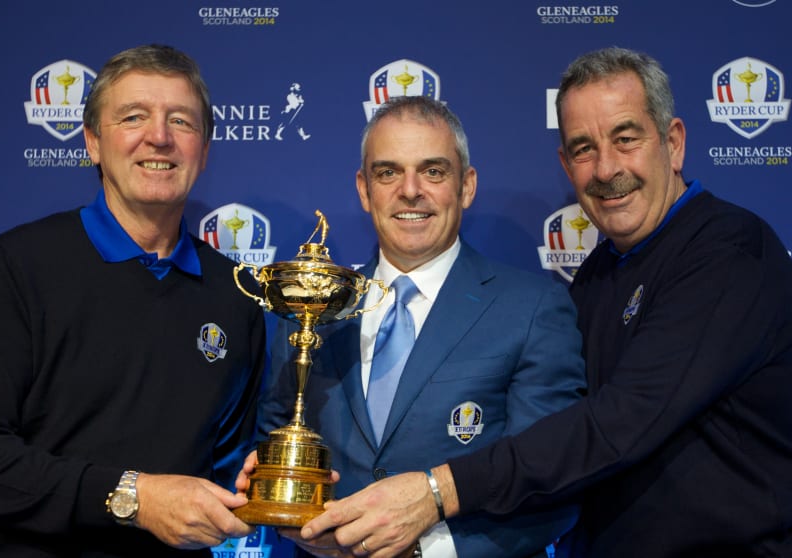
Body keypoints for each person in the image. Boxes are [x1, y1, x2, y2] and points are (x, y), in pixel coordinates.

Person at [294, 47, 792, 557]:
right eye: (583, 148)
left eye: (626, 138)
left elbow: (620, 422)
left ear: (673, 142)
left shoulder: (729, 251)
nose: (606, 168)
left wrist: (437, 491)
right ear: (566, 165)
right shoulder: (597, 274)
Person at [0, 44, 264, 557]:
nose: (159, 136)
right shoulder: (18, 265)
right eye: (133, 117)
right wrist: (134, 497)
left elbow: (225, 467)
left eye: (181, 121)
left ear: (204, 150)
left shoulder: (237, 292)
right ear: (92, 142)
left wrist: (268, 482)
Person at [241, 95, 587, 557]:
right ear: (364, 190)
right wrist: (279, 504)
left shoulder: (533, 308)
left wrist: (424, 550)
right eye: (388, 172)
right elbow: (271, 444)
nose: (410, 190)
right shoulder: (311, 306)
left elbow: (550, 479)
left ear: (466, 186)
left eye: (433, 171)